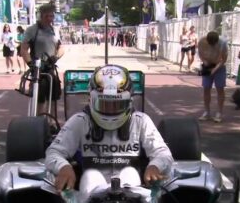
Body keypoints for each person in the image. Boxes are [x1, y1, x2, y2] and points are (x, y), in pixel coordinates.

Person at [45, 64, 173, 193]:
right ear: (91, 99)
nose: (110, 110)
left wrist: (155, 166)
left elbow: (163, 153)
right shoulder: (80, 121)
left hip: (133, 190)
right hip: (90, 191)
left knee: (130, 173)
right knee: (91, 177)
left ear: (129, 101)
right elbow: (54, 152)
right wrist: (63, 167)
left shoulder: (141, 121)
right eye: (104, 104)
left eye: (116, 104)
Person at [21, 3, 65, 115]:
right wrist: (31, 64)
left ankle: (51, 122)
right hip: (38, 68)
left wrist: (56, 57)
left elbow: (61, 47)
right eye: (47, 16)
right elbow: (24, 49)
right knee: (40, 96)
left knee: (54, 96)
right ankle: (39, 121)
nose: (50, 19)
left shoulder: (55, 30)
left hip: (50, 67)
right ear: (41, 16)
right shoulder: (32, 30)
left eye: (52, 16)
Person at [198, 31, 229, 123]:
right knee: (206, 88)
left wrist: (215, 69)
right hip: (207, 66)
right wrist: (205, 62)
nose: (212, 46)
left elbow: (224, 59)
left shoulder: (223, 43)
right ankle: (207, 111)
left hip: (219, 66)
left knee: (220, 88)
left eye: (214, 44)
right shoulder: (202, 42)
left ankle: (219, 112)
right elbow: (200, 54)